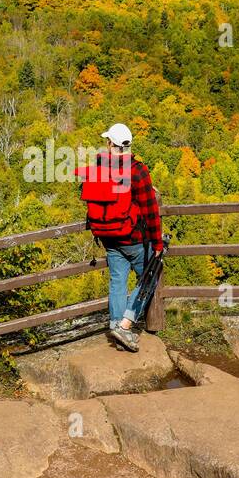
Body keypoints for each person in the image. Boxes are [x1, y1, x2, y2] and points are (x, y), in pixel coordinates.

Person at [86, 122, 162, 352]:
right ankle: (126, 325)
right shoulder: (137, 170)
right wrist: (157, 242)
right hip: (134, 238)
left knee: (117, 283)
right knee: (149, 277)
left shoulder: (100, 164)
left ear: (111, 144)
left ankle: (116, 327)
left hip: (108, 237)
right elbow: (150, 209)